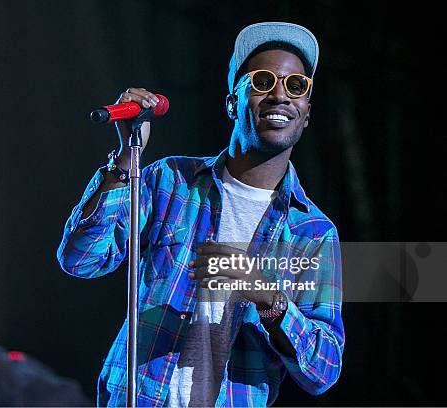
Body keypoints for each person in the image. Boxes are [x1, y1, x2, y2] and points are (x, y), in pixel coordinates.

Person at [57, 22, 344, 407]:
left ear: (306, 113)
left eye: (296, 86)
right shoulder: (170, 181)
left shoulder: (312, 233)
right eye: (261, 81)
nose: (279, 95)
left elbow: (323, 371)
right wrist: (128, 156)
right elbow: (81, 259)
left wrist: (269, 299)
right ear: (232, 103)